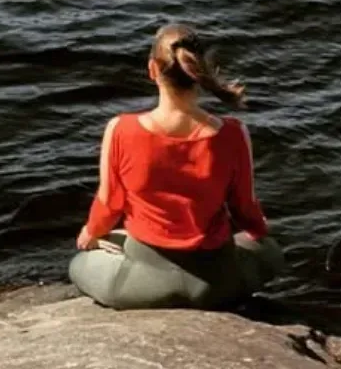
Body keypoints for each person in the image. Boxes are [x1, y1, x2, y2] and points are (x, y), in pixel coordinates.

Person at [70, 23, 283, 310]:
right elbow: (246, 211)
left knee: (80, 262)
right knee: (268, 249)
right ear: (201, 72)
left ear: (152, 70)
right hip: (217, 283)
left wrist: (91, 233)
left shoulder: (121, 130)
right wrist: (258, 234)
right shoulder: (233, 133)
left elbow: (110, 204)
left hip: (142, 283)